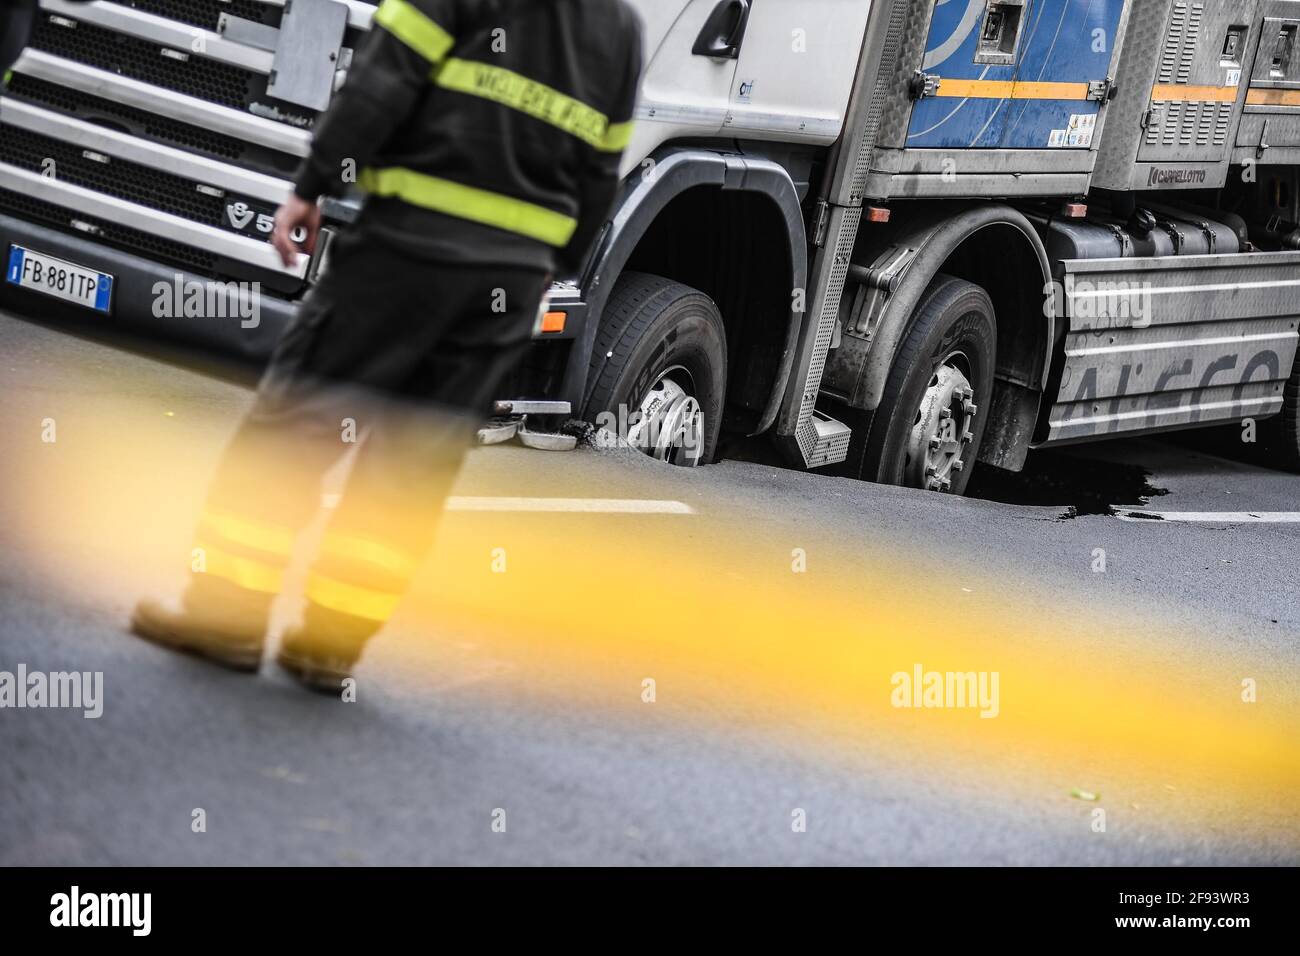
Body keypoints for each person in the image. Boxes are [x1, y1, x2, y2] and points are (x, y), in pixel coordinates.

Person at [130, 0, 643, 692]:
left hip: (409, 248)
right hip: (509, 281)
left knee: (302, 421)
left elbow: (380, 85)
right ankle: (331, 647)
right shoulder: (619, 28)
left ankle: (226, 614)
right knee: (414, 462)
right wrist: (554, 260)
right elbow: (600, 175)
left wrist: (314, 185)